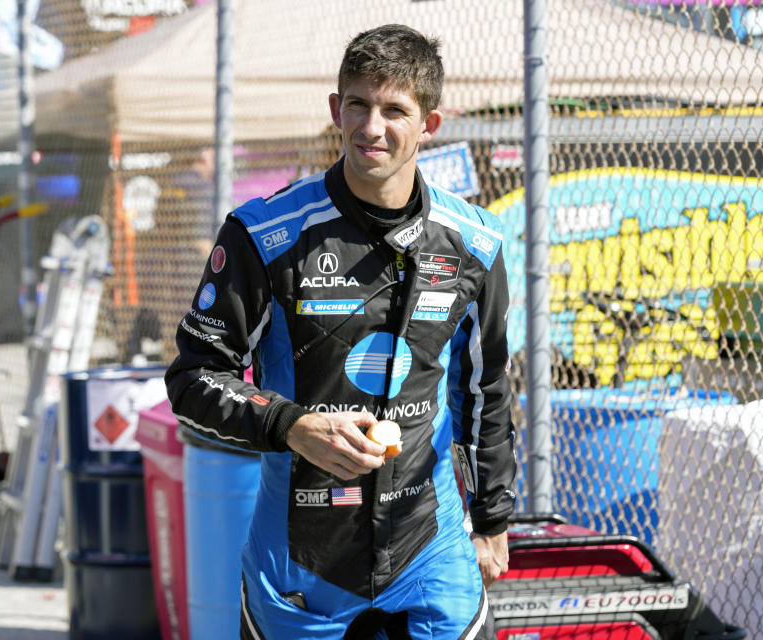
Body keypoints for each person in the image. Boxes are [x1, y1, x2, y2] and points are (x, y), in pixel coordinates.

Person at [165, 23, 516, 639]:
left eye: (394, 111)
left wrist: (491, 519)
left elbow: (485, 389)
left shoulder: (475, 243)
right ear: (336, 109)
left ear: (429, 125)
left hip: (429, 553)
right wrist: (291, 424)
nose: (371, 127)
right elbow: (194, 379)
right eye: (358, 104)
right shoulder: (262, 234)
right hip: (301, 565)